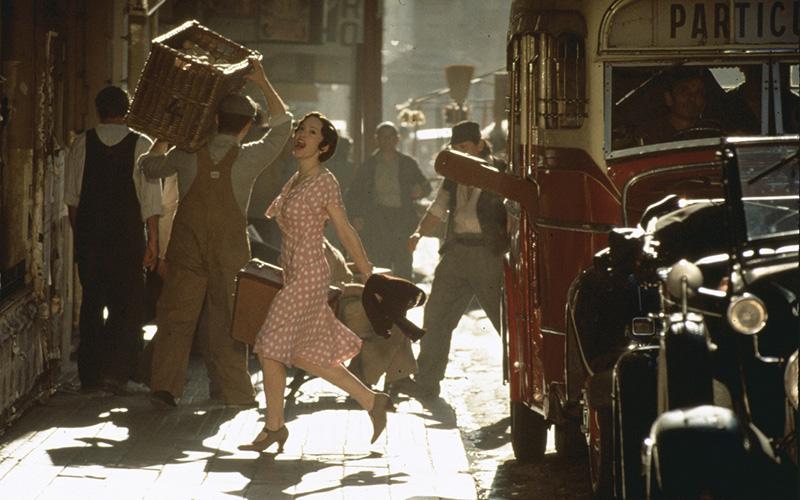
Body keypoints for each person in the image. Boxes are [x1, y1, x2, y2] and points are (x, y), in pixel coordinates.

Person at [140, 58, 292, 408]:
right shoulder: (251, 157)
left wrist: (163, 138)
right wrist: (262, 80)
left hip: (187, 247)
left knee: (177, 316)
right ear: (247, 127)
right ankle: (232, 391)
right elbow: (283, 126)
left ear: (216, 119)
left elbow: (148, 168)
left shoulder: (185, 153)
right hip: (230, 249)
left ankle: (165, 387)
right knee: (227, 319)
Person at [239, 112, 393, 453]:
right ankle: (372, 400)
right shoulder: (295, 179)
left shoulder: (325, 182)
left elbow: (344, 230)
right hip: (293, 273)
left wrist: (367, 273)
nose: (301, 134)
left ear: (323, 147)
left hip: (309, 275)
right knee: (305, 354)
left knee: (268, 345)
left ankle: (274, 427)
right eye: (300, 128)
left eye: (311, 132)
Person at [397, 121, 509, 398]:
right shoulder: (453, 174)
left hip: (488, 254)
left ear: (479, 145)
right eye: (456, 148)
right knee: (436, 316)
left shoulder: (500, 171)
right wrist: (418, 233)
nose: (460, 152)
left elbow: (513, 213)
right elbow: (438, 208)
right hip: (456, 253)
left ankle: (523, 380)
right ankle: (426, 382)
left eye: (465, 147)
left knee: (504, 321)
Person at [64, 85, 162, 394]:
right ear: (127, 111)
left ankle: (90, 375)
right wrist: (153, 242)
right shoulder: (141, 144)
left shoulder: (82, 143)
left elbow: (72, 201)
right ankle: (118, 373)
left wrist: (82, 236)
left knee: (92, 302)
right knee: (127, 304)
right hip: (127, 238)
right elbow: (151, 202)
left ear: (98, 110)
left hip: (91, 238)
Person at [347, 122, 430, 280]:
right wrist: (357, 216)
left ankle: (404, 294)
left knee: (403, 263)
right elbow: (355, 193)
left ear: (397, 139)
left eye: (390, 136)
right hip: (377, 220)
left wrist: (420, 190)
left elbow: (425, 186)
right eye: (383, 137)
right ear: (376, 139)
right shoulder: (369, 166)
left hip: (402, 219)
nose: (387, 140)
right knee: (380, 263)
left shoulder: (407, 163)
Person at [637, 67, 718, 145]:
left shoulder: (713, 132)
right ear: (669, 98)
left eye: (699, 93)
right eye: (684, 91)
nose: (692, 98)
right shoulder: (650, 133)